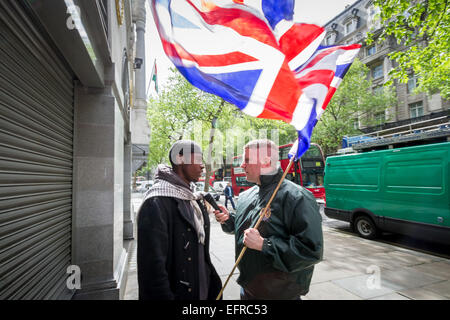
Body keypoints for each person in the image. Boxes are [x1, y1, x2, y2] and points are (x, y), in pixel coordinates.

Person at [214, 139, 323, 300]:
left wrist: (264, 245)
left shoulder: (297, 197)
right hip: (247, 288)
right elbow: (244, 229)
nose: (242, 165)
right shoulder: (245, 196)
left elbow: (311, 251)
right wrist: (229, 219)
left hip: (281, 294)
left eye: (247, 160)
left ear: (265, 161)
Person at [137, 140, 222, 300]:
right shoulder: (156, 203)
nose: (203, 166)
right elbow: (152, 272)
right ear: (180, 158)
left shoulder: (193, 198)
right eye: (198, 159)